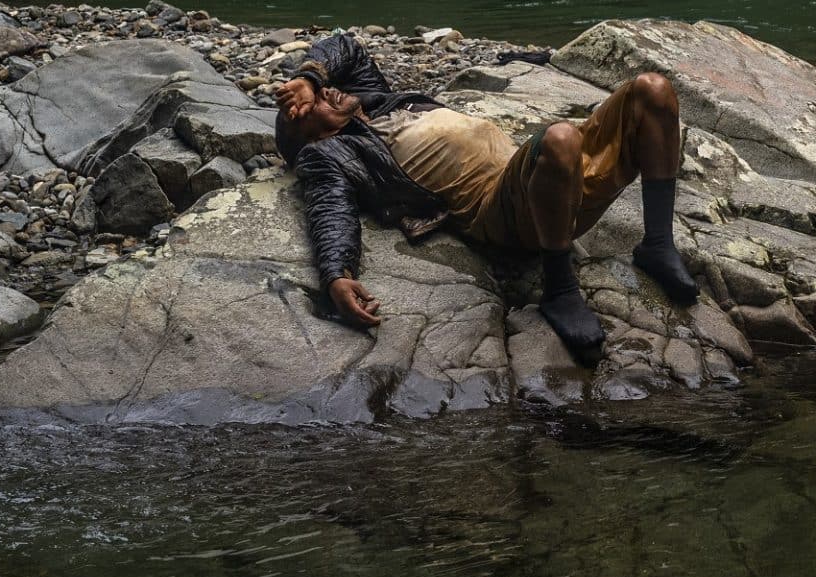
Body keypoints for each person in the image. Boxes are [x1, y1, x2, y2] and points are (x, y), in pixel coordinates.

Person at [273, 33, 701, 357]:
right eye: (309, 109)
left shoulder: (377, 100)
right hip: (502, 210)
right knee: (561, 137)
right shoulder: (334, 153)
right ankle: (559, 289)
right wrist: (336, 275)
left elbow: (346, 47)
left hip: (556, 180)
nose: (328, 94)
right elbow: (329, 207)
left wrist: (308, 78)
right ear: (309, 138)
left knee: (653, 90)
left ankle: (658, 244)